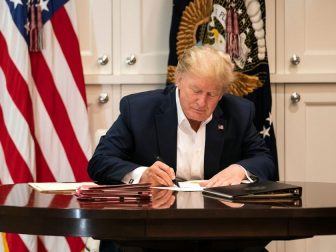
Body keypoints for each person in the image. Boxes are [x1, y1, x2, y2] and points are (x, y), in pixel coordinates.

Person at [88, 45, 275, 252]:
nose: (201, 102)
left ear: (222, 93)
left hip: (217, 229)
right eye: (195, 91)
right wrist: (142, 175)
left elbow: (265, 161)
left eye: (212, 94)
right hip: (151, 228)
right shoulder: (139, 109)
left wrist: (240, 169)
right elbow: (100, 161)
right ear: (178, 79)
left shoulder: (239, 112)